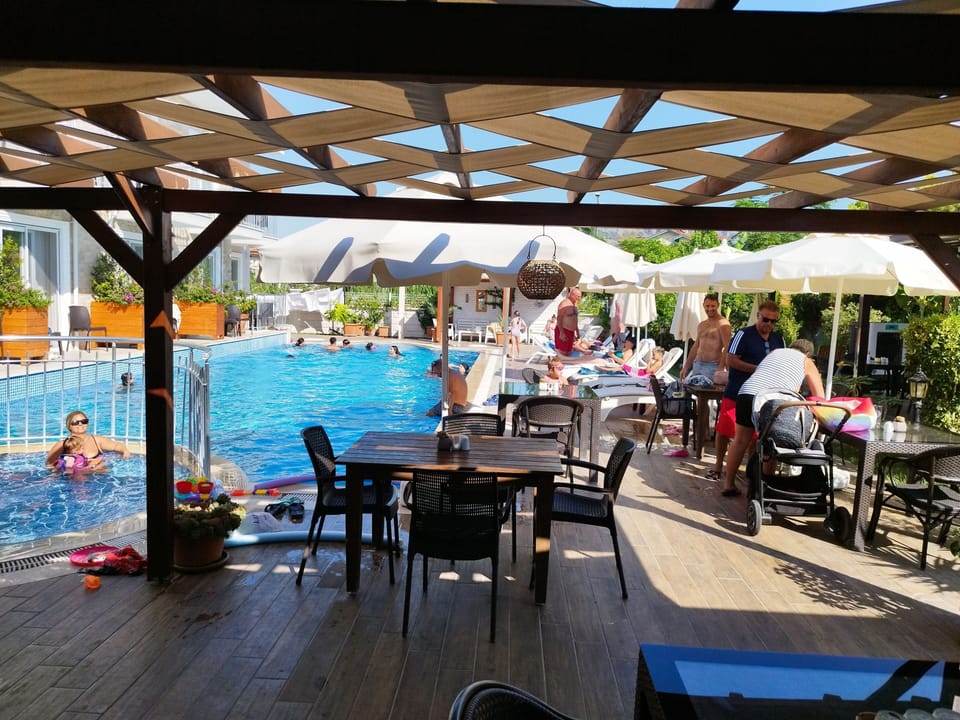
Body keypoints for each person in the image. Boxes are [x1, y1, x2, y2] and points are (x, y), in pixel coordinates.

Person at [721, 339, 825, 497]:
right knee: (773, 440)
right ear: (808, 354)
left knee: (740, 440)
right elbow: (820, 398)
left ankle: (729, 484)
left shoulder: (774, 352)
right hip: (774, 400)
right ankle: (765, 487)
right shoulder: (807, 362)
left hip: (747, 393)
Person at [716, 300, 786, 493]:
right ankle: (720, 470)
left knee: (756, 439)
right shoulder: (743, 334)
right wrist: (759, 369)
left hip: (764, 397)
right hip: (738, 391)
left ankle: (752, 476)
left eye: (773, 321)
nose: (769, 324)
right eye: (765, 319)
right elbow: (731, 360)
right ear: (758, 316)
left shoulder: (778, 339)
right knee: (727, 432)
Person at [45, 410, 130, 469]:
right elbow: (49, 464)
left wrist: (125, 452)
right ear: (69, 426)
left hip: (98, 478)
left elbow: (117, 446)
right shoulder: (63, 444)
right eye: (75, 422)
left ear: (87, 423)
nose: (80, 424)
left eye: (84, 421)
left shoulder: (96, 440)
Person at [679, 293, 731, 383]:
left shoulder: (723, 324)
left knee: (708, 391)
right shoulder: (701, 325)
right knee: (694, 389)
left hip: (713, 365)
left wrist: (721, 367)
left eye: (713, 306)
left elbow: (728, 347)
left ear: (718, 305)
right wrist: (686, 367)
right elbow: (696, 346)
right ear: (703, 305)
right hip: (697, 364)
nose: (710, 309)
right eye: (707, 306)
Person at [554, 287, 592, 356]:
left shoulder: (575, 304)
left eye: (580, 296)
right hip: (564, 330)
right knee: (563, 353)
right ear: (572, 295)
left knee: (569, 352)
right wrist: (561, 333)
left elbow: (575, 319)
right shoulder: (564, 304)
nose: (580, 298)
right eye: (578, 296)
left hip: (571, 332)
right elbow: (559, 319)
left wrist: (577, 331)